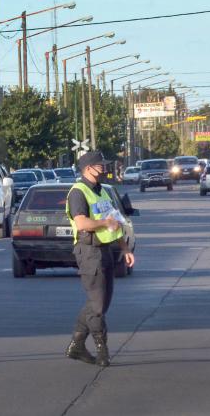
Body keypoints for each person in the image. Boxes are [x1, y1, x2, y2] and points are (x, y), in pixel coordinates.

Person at [64, 151, 135, 367]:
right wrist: (105, 224)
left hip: (105, 250)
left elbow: (115, 221)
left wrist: (125, 247)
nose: (104, 169)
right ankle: (101, 350)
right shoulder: (78, 192)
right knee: (97, 304)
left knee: (102, 302)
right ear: (88, 169)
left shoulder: (102, 191)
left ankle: (76, 345)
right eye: (100, 166)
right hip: (88, 251)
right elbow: (82, 223)